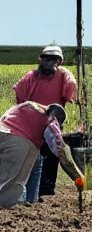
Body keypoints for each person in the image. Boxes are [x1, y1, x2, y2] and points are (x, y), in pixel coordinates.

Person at [14, 45, 76, 202]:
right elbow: (20, 96)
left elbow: (70, 91)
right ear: (40, 60)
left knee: (51, 156)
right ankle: (27, 193)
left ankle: (47, 190)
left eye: (54, 59)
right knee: (32, 157)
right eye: (46, 58)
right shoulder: (31, 77)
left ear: (59, 62)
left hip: (53, 123)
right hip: (32, 123)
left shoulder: (63, 76)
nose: (49, 63)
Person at [0, 101, 82, 209]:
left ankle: (15, 198)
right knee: (21, 159)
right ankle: (4, 201)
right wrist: (78, 178)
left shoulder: (31, 106)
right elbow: (61, 152)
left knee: (33, 155)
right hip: (15, 138)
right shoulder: (51, 120)